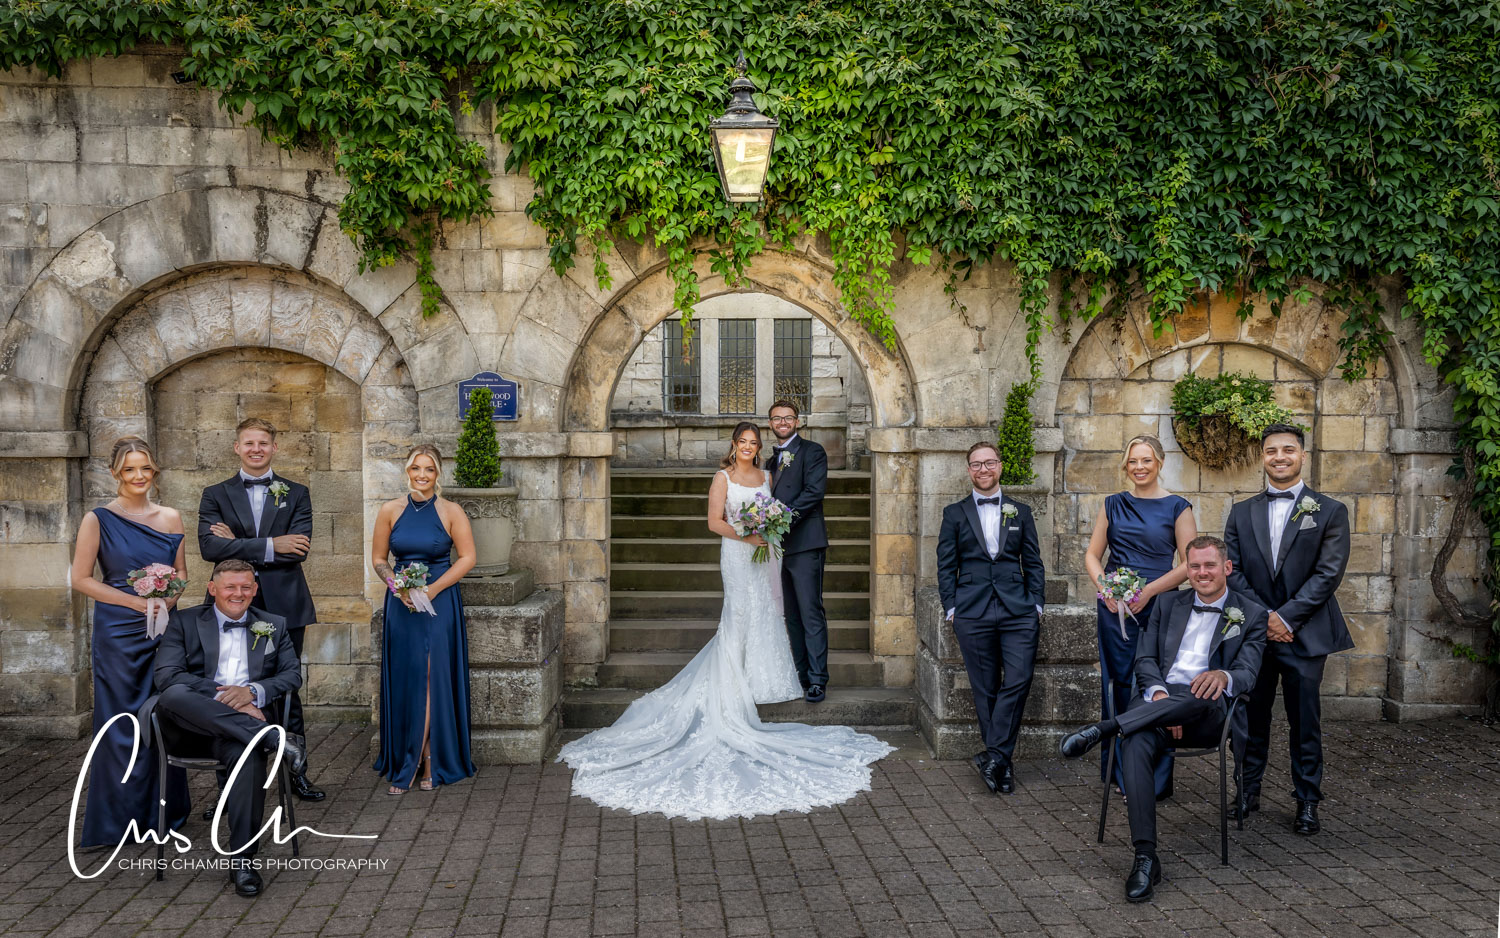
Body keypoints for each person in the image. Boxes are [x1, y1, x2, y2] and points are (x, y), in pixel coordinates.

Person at [557, 422, 892, 820]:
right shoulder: (723, 477)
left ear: (759, 446)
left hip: (767, 553)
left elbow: (781, 507)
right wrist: (746, 534)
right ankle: (733, 684)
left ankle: (766, 678)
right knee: (739, 612)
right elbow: (714, 522)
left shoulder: (768, 474)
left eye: (754, 442)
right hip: (737, 553)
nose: (749, 447)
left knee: (769, 611)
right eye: (743, 442)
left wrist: (766, 530)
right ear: (733, 446)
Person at [1058, 536, 1268, 902]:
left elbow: (1248, 673)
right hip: (1158, 704)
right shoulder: (1168, 602)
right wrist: (1159, 696)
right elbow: (1145, 661)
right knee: (1138, 740)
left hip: (1208, 713)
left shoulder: (1251, 613)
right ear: (1187, 570)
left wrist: (1224, 676)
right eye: (1195, 566)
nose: (1202, 573)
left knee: (1200, 691)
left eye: (1210, 565)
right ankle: (1144, 857)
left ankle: (1108, 728)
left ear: (1227, 568)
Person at [150, 559, 307, 898]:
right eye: (230, 587)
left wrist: (252, 692)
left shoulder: (273, 624)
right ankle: (269, 738)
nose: (239, 593)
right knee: (173, 694)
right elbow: (166, 675)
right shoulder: (185, 621)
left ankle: (243, 860)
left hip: (240, 732)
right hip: (191, 730)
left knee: (249, 758)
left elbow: (292, 675)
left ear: (255, 589)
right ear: (213, 589)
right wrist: (225, 697)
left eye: (246, 587)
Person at [1225, 423, 1353, 835]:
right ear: (1262, 457)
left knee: (1305, 721)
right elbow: (1234, 572)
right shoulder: (1241, 511)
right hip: (1255, 636)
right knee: (1249, 717)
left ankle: (1307, 802)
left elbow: (1328, 574)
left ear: (1301, 456)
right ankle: (1247, 791)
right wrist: (1265, 620)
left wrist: (1286, 619)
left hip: (1306, 632)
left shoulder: (1330, 511)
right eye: (1270, 451)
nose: (1279, 457)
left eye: (1287, 450)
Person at [68, 436, 191, 848]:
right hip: (119, 630)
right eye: (130, 469)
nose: (139, 476)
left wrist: (164, 603)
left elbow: (181, 575)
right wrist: (137, 603)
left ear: (154, 471)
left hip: (161, 630)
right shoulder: (98, 519)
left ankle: (164, 812)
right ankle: (120, 818)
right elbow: (81, 579)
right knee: (121, 721)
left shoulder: (172, 517)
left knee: (161, 716)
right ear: (115, 473)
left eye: (145, 468)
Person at [197, 417, 323, 802]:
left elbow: (298, 548)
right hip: (230, 604)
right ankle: (230, 789)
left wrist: (239, 542)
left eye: (263, 443)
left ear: (274, 448)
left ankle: (295, 772)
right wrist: (271, 545)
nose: (256, 449)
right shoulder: (215, 493)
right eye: (249, 443)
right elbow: (209, 550)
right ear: (237, 447)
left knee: (286, 688)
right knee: (225, 686)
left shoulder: (296, 492)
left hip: (286, 606)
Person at [1083, 435, 1196, 798]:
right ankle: (1117, 772)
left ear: (1160, 462)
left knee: (1155, 685)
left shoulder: (1178, 507)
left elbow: (1189, 564)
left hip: (1159, 606)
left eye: (1146, 460)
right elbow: (1092, 555)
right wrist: (1107, 591)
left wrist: (1148, 591)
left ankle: (1153, 779)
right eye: (1133, 461)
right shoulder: (1112, 504)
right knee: (1118, 683)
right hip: (1115, 610)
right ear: (1125, 465)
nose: (1139, 467)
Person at [936, 441, 1046, 795]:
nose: (983, 470)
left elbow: (1033, 562)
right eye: (976, 464)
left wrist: (1037, 605)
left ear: (999, 467)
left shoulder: (1021, 511)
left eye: (989, 463)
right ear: (969, 470)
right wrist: (951, 607)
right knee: (984, 689)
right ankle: (1003, 765)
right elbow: (945, 564)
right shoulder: (954, 513)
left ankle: (995, 756)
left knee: (1018, 679)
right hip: (972, 610)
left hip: (1017, 610)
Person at [372, 445, 477, 794]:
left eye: (429, 469)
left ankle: (425, 758)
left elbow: (467, 558)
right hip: (402, 604)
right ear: (407, 471)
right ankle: (411, 753)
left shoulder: (451, 511)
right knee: (409, 676)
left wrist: (431, 590)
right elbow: (379, 559)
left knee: (432, 677)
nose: (422, 474)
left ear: (438, 473)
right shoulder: (390, 510)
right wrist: (396, 587)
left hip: (438, 601)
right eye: (416, 468)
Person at [766, 399, 831, 702]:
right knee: (791, 615)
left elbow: (813, 492)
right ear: (770, 424)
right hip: (778, 549)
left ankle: (818, 679)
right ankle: (802, 675)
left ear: (797, 422)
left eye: (788, 418)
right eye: (777, 418)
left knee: (810, 612)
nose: (782, 423)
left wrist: (782, 519)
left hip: (805, 544)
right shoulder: (769, 462)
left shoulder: (812, 452)